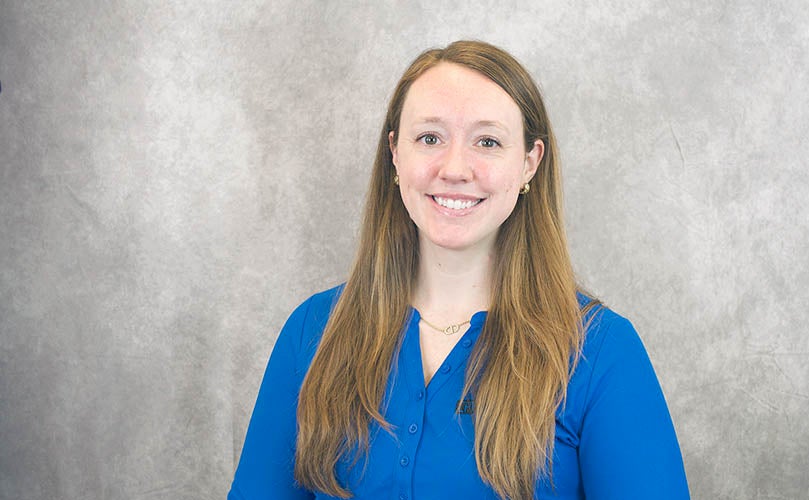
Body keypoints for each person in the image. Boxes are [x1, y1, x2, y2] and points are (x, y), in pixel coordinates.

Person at [228, 40, 689, 499]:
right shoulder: (313, 332)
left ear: (529, 163)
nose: (454, 168)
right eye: (430, 138)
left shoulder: (599, 352)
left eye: (487, 141)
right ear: (395, 153)